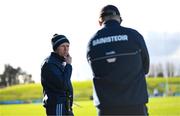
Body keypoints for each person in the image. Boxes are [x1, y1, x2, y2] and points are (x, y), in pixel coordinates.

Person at [86, 5, 150, 115]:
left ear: (100, 21)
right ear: (119, 19)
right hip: (135, 104)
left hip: (106, 108)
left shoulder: (92, 42)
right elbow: (146, 67)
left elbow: (95, 70)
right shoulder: (134, 35)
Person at [41, 34, 74, 116]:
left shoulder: (59, 62)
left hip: (65, 105)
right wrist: (69, 66)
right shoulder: (50, 64)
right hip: (57, 105)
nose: (66, 49)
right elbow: (63, 84)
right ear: (56, 48)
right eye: (63, 46)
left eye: (68, 46)